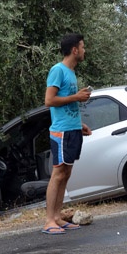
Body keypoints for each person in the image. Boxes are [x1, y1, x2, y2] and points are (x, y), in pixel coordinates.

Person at [42, 33, 93, 235]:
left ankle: (57, 217)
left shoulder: (71, 73)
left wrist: (79, 124)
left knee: (66, 174)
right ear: (74, 50)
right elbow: (49, 100)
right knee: (58, 174)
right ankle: (48, 221)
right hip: (61, 132)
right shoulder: (58, 70)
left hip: (71, 129)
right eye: (82, 46)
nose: (84, 50)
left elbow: (67, 104)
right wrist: (76, 97)